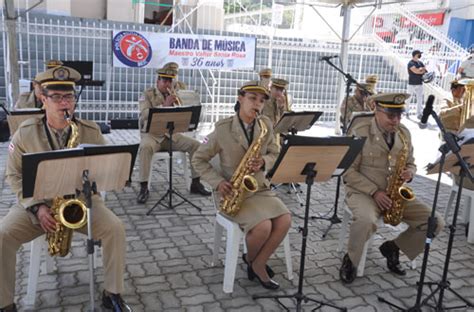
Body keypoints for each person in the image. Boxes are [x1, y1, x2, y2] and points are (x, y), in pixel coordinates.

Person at [0, 66, 131, 311]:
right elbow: (13, 175)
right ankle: (4, 303)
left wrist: (106, 176)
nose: (64, 104)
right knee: (2, 236)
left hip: (80, 203)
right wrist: (37, 207)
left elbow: (104, 170)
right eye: (57, 97)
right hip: (38, 204)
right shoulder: (25, 133)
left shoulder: (89, 131)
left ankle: (112, 293)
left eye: (69, 97)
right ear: (43, 99)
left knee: (115, 229)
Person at [192, 81, 291, 290]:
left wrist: (264, 161)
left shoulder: (265, 125)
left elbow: (275, 152)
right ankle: (258, 265)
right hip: (233, 193)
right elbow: (198, 159)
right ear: (240, 98)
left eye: (262, 101)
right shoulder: (222, 129)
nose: (257, 104)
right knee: (264, 227)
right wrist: (218, 183)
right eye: (252, 98)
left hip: (259, 188)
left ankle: (256, 262)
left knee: (284, 220)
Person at [339, 92, 445, 284]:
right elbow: (347, 171)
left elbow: (411, 163)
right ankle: (351, 260)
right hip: (364, 192)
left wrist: (410, 173)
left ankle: (394, 248)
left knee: (434, 221)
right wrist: (374, 191)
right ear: (376, 111)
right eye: (391, 115)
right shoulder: (360, 131)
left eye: (399, 115)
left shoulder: (404, 133)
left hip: (394, 193)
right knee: (365, 221)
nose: (396, 120)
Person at [136, 62, 211, 204]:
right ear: (158, 81)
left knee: (196, 145)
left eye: (170, 81)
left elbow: (183, 115)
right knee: (145, 148)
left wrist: (177, 104)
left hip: (171, 136)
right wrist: (164, 106)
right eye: (164, 81)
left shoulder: (175, 94)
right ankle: (144, 187)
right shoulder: (147, 94)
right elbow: (144, 114)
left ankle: (196, 182)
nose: (167, 84)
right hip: (152, 135)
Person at [407, 50, 427, 119]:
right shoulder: (410, 63)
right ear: (415, 55)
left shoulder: (420, 62)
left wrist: (420, 70)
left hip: (419, 83)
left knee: (419, 99)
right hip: (411, 84)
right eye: (419, 54)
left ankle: (419, 113)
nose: (420, 55)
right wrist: (420, 70)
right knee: (408, 98)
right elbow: (415, 71)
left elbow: (425, 70)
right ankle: (406, 112)